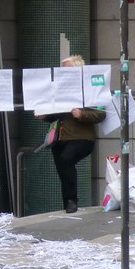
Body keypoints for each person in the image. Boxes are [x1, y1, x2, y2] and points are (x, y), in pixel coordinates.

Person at [42, 55, 106, 213]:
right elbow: (56, 115)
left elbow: (101, 114)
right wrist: (44, 116)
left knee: (66, 159)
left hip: (82, 138)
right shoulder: (58, 90)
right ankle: (68, 202)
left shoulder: (89, 89)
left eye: (67, 70)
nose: (64, 73)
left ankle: (72, 200)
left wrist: (82, 114)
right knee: (62, 168)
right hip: (60, 137)